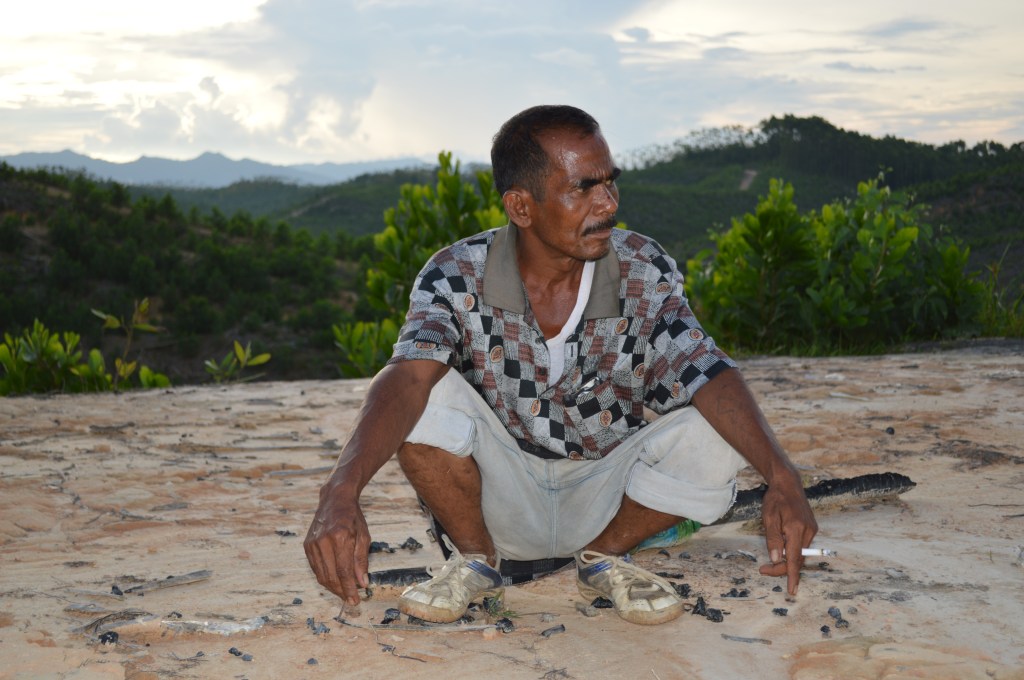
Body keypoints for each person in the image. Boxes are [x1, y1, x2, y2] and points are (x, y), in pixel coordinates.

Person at [304, 105, 817, 626]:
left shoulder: (642, 268)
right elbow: (407, 377)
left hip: (610, 498)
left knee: (717, 430)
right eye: (583, 188)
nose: (608, 203)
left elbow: (705, 368)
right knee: (422, 390)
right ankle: (477, 563)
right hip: (497, 504)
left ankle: (603, 559)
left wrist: (782, 476)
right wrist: (340, 493)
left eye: (610, 183)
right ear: (521, 208)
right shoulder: (456, 274)